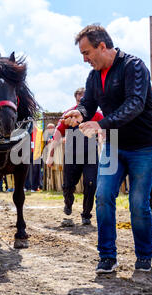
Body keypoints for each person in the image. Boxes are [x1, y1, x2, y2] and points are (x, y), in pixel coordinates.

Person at [64, 24, 152, 273]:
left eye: (87, 53)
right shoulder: (94, 75)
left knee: (138, 203)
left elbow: (135, 104)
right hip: (114, 144)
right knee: (103, 197)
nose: (85, 59)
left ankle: (144, 255)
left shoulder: (134, 66)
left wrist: (100, 124)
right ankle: (107, 256)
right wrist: (80, 112)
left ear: (103, 46)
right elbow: (88, 103)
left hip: (144, 147)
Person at [46, 87, 103, 226]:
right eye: (79, 95)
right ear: (75, 98)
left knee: (91, 183)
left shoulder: (97, 115)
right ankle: (68, 203)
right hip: (72, 154)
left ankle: (86, 214)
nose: (81, 97)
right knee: (68, 185)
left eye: (84, 95)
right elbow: (58, 134)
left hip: (90, 154)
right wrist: (50, 155)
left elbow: (103, 131)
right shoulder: (68, 114)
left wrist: (104, 147)